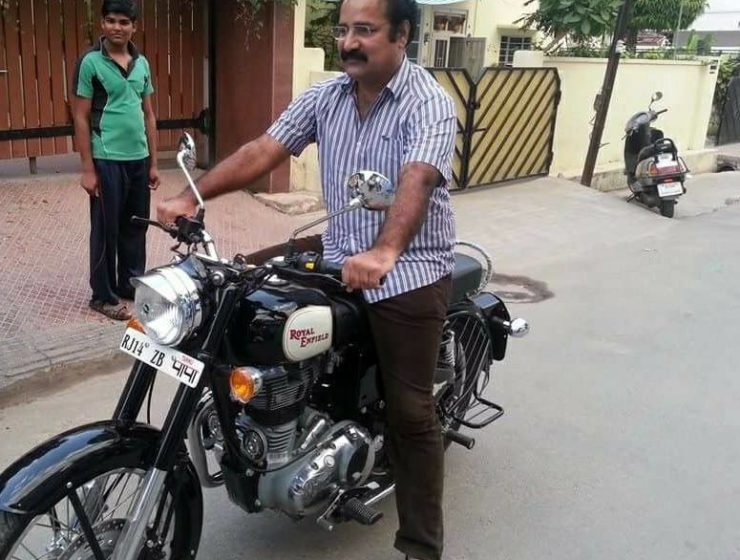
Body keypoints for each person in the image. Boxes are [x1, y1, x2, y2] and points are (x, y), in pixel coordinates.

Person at [158, 0, 456, 557]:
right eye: (343, 29)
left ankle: (421, 546)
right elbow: (263, 149)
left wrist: (386, 251)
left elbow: (417, 177)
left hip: (407, 267)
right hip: (339, 251)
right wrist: (190, 197)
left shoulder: (428, 102)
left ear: (402, 35)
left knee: (411, 413)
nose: (349, 42)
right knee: (237, 284)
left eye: (364, 30)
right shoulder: (327, 96)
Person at [72, 0, 160, 321]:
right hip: (106, 159)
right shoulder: (91, 63)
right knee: (106, 230)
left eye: (124, 22)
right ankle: (103, 295)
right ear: (102, 24)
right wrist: (87, 169)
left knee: (135, 227)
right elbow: (80, 117)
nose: (116, 28)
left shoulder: (142, 64)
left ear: (134, 26)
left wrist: (153, 163)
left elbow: (148, 114)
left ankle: (129, 284)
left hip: (139, 160)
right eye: (110, 21)